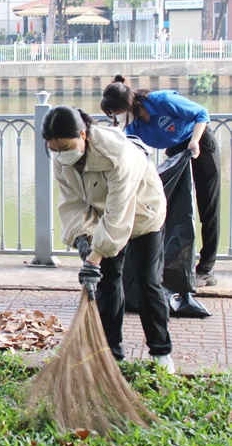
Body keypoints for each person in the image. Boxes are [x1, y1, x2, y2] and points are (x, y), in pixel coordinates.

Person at [43, 106, 174, 373]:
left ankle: (161, 353)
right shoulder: (61, 160)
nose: (60, 154)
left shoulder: (117, 154)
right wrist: (81, 237)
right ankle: (110, 352)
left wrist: (95, 256)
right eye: (54, 149)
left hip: (142, 213)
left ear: (83, 134)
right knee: (108, 283)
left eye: (66, 146)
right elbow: (72, 203)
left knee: (148, 283)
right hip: (106, 217)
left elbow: (119, 211)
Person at [101, 75, 220, 287]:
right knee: (169, 205)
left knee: (208, 205)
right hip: (176, 150)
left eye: (116, 114)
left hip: (198, 140)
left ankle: (206, 267)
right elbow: (133, 152)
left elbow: (201, 114)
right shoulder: (132, 127)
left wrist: (194, 142)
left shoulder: (161, 100)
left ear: (128, 105)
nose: (116, 119)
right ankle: (170, 264)